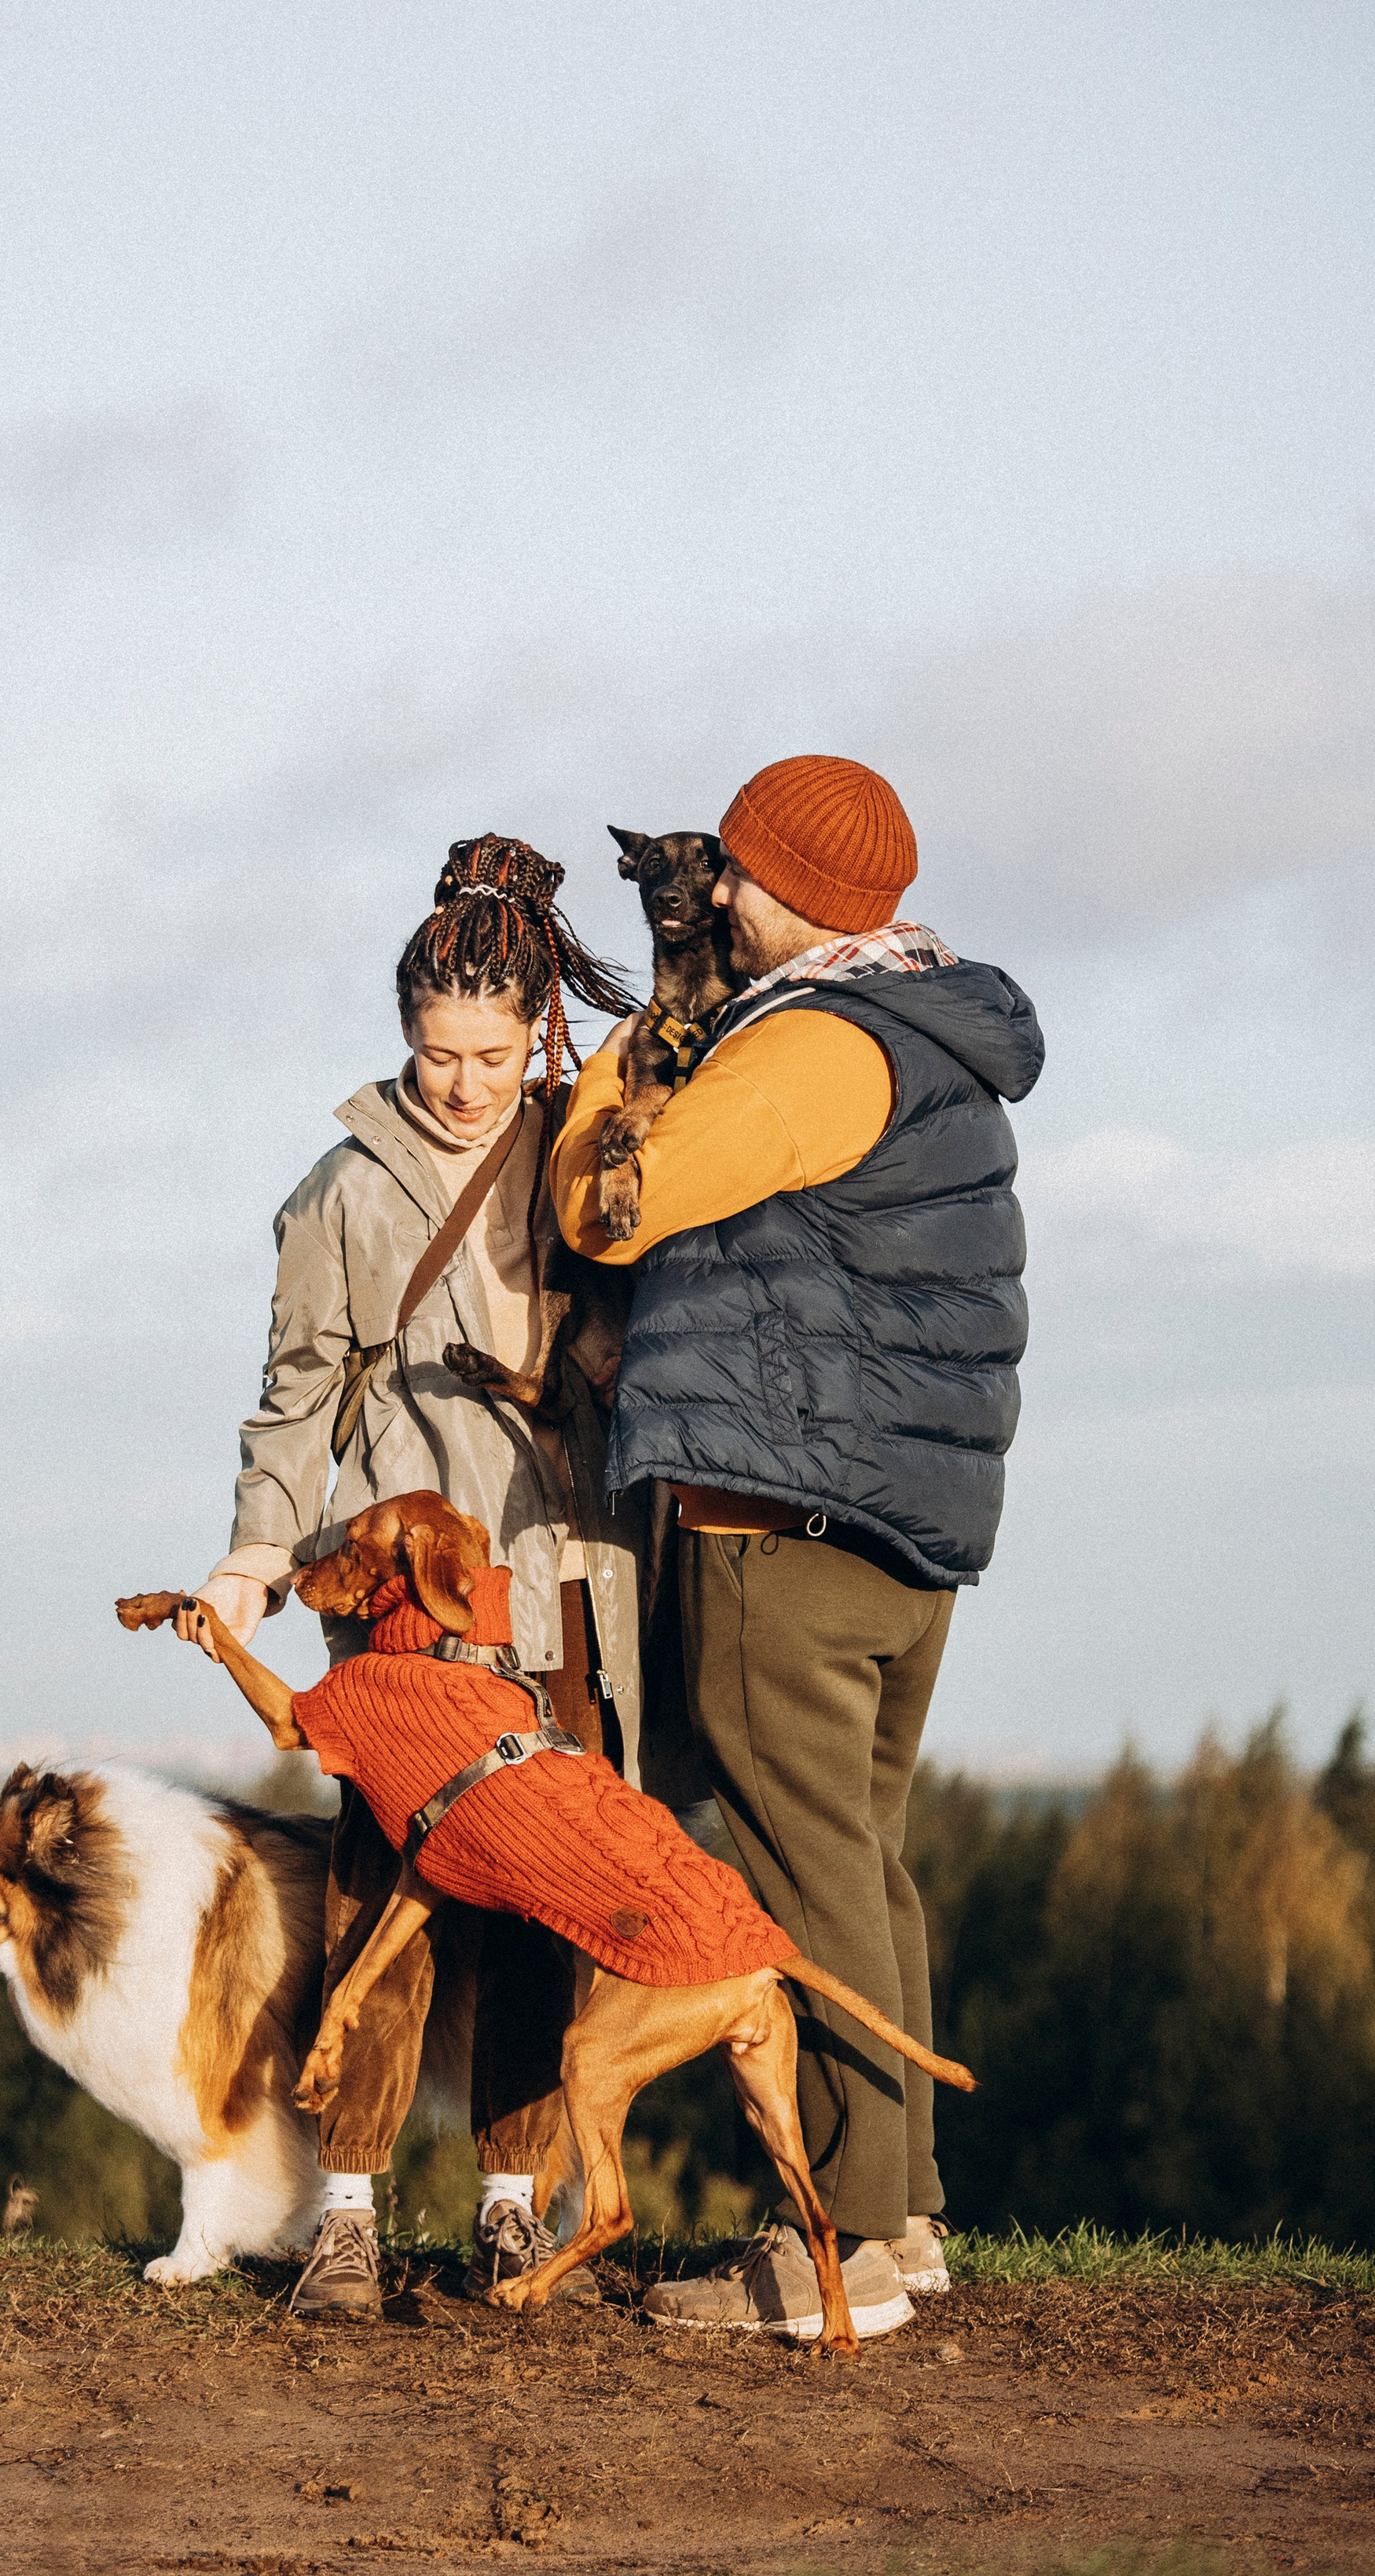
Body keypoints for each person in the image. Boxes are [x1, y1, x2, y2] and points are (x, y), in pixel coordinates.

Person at [552, 755, 1043, 2342]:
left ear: (771, 888)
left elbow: (607, 1210)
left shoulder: (806, 1050)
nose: (714, 895)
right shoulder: (927, 1033)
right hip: (902, 1532)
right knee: (861, 1867)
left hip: (782, 1525)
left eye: (732, 874)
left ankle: (832, 2247)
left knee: (797, 1879)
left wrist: (634, 1044)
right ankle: (904, 2209)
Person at [180, 834, 648, 2316]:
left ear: (536, 1033)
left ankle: (513, 2204)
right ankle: (351, 2212)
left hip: (562, 1568)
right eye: (440, 1052)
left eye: (493, 1051)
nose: (465, 1081)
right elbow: (297, 1388)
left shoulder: (583, 1147)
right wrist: (263, 1548)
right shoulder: (341, 1190)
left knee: (536, 1891)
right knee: (382, 1892)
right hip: (395, 1581)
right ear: (405, 1036)